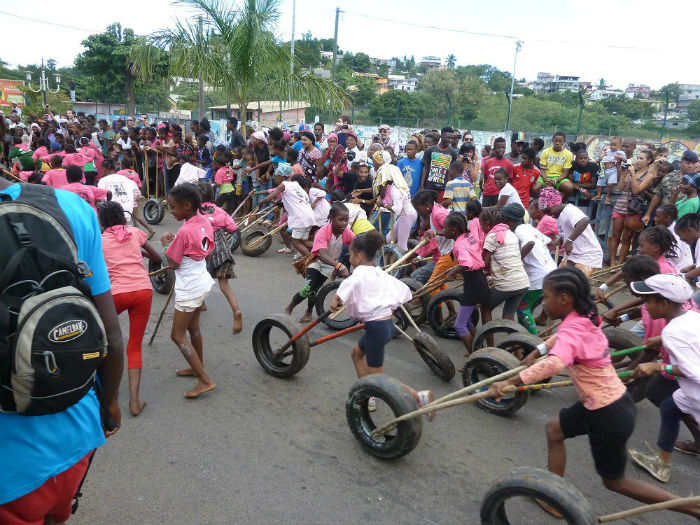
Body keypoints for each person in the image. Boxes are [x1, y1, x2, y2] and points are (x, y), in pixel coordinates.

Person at [487, 268, 700, 520]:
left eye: (545, 297)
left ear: (564, 299)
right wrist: (539, 348)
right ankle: (553, 497)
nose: (543, 302)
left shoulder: (576, 327)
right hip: (605, 402)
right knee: (554, 430)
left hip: (606, 412)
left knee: (615, 482)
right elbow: (564, 336)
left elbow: (555, 364)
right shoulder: (585, 317)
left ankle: (691, 507)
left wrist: (509, 382)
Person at [0, 181, 124, 524]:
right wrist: (110, 401)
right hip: (76, 428)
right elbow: (111, 334)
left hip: (9, 462)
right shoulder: (70, 206)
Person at [330, 230, 434, 412]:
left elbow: (349, 285)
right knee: (356, 354)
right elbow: (401, 288)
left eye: (352, 254)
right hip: (385, 326)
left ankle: (419, 397)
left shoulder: (359, 273)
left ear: (359, 256)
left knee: (379, 377)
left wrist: (336, 300)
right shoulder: (379, 272)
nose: (351, 258)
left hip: (376, 329)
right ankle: (368, 395)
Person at [628, 275, 700, 487]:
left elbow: (693, 372)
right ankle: (662, 464)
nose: (645, 305)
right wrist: (661, 339)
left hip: (696, 390)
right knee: (670, 408)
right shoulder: (691, 317)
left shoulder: (672, 331)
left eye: (648, 300)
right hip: (689, 392)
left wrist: (657, 366)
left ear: (664, 303)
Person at [98, 201, 160, 416]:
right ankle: (134, 402)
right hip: (143, 291)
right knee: (134, 347)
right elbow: (157, 258)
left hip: (116, 294)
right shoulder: (134, 233)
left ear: (102, 221)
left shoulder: (100, 240)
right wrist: (137, 255)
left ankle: (103, 392)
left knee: (101, 338)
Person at [161, 184, 217, 398]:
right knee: (193, 328)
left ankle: (205, 379)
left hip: (190, 287)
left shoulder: (184, 231)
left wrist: (166, 244)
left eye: (173, 207)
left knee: (177, 335)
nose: (171, 211)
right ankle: (197, 367)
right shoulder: (203, 220)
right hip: (202, 280)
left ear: (187, 205)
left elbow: (173, 263)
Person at [286, 202, 353, 323]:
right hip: (316, 261)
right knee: (308, 289)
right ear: (332, 218)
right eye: (341, 220)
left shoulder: (346, 232)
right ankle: (290, 307)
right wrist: (339, 266)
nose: (344, 223)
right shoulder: (323, 232)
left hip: (330, 266)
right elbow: (322, 254)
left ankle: (309, 311)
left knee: (314, 290)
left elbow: (356, 245)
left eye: (346, 220)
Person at [500, 203, 556, 335]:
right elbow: (550, 242)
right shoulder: (529, 228)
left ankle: (534, 340)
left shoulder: (520, 230)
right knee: (526, 306)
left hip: (538, 276)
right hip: (550, 270)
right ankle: (524, 337)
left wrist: (516, 261)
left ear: (509, 221)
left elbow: (530, 244)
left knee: (522, 308)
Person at [198, 182, 243, 335]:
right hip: (223, 252)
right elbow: (232, 228)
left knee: (199, 278)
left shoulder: (195, 212)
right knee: (225, 286)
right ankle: (236, 310)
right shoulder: (220, 211)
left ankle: (201, 303)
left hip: (205, 251)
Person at [444, 213, 488, 356]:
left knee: (459, 325)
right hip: (478, 280)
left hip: (473, 283)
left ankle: (474, 356)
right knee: (467, 320)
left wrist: (453, 272)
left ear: (454, 230)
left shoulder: (458, 244)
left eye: (445, 228)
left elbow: (467, 263)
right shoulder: (468, 236)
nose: (443, 231)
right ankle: (477, 349)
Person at [479, 207, 530, 331]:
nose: (481, 228)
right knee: (508, 316)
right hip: (522, 282)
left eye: (481, 225)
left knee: (485, 308)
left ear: (487, 224)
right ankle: (515, 347)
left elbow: (484, 263)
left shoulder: (492, 236)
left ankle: (489, 343)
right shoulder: (510, 234)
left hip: (507, 283)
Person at [538, 187, 603, 275]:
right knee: (557, 279)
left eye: (549, 211)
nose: (550, 215)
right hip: (572, 254)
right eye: (547, 213)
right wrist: (561, 239)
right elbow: (565, 231)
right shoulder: (558, 215)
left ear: (556, 203)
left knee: (574, 282)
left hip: (588, 254)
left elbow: (584, 220)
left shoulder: (569, 210)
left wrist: (569, 241)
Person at [608, 149, 655, 266]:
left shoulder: (649, 175)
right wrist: (623, 174)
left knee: (627, 238)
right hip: (620, 206)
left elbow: (637, 190)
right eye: (637, 158)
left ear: (649, 161)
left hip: (634, 209)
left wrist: (633, 174)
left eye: (641, 158)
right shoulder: (630, 171)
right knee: (615, 236)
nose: (638, 161)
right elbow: (620, 188)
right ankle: (612, 262)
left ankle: (620, 263)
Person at [260, 174, 317, 257]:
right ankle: (324, 249)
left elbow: (269, 197)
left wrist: (261, 203)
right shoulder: (299, 188)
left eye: (276, 176)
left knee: (296, 242)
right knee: (303, 242)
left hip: (300, 217)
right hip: (310, 216)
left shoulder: (285, 184)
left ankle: (311, 259)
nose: (274, 178)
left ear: (281, 177)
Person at [643, 150, 699, 225]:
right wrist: (648, 214)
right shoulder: (669, 176)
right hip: (662, 218)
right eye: (687, 163)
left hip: (682, 222)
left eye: (693, 163)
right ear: (681, 162)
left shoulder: (697, 182)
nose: (690, 166)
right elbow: (658, 195)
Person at [373, 161, 417, 253]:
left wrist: (383, 204)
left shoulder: (396, 189)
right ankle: (389, 259)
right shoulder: (398, 185)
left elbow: (397, 209)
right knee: (389, 238)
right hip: (406, 215)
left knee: (402, 246)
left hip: (406, 216)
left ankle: (404, 265)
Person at [98, 158, 141, 224]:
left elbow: (102, 198)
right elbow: (138, 195)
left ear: (104, 168)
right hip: (128, 212)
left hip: (113, 213)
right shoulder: (127, 179)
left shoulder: (103, 180)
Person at [420, 127, 458, 198]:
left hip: (444, 188)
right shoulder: (430, 150)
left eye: (451, 138)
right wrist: (421, 186)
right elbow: (425, 168)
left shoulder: (453, 153)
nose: (450, 140)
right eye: (448, 137)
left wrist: (450, 187)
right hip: (429, 187)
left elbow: (452, 171)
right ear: (441, 136)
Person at [654, 205, 693, 272]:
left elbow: (675, 253)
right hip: (673, 265)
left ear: (666, 218)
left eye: (657, 216)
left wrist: (654, 253)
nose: (654, 219)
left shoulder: (675, 232)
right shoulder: (666, 229)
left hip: (681, 267)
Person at [480, 137, 514, 207]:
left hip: (500, 194)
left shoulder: (509, 164)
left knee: (498, 215)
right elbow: (485, 178)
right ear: (494, 148)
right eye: (499, 147)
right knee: (485, 214)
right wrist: (485, 188)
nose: (501, 150)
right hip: (487, 193)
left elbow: (509, 181)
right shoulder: (488, 162)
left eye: (503, 147)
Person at [593, 137, 626, 204]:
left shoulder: (620, 152)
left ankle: (608, 196)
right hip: (604, 170)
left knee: (610, 183)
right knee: (599, 183)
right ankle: (598, 195)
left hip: (613, 171)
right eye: (611, 144)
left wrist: (621, 158)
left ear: (619, 146)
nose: (612, 146)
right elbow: (602, 156)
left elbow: (625, 160)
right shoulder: (608, 151)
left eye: (614, 145)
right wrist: (599, 158)